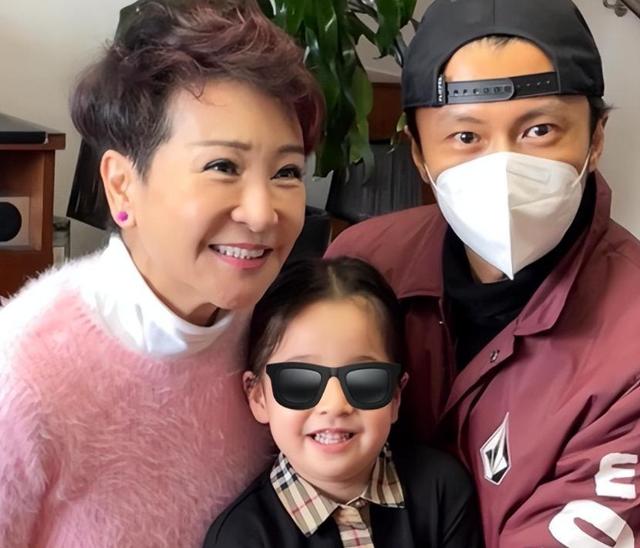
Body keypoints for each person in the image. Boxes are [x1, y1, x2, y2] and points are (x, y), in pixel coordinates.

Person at [0, 1, 324, 546]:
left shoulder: (287, 334)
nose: (262, 213)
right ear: (122, 186)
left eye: (287, 172)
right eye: (223, 166)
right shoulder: (24, 376)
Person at [326, 0, 640, 545]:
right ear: (419, 155)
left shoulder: (629, 341)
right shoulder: (363, 266)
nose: (502, 170)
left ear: (595, 140)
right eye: (466, 137)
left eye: (539, 130)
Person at [204, 257, 483, 548]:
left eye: (365, 380)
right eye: (300, 380)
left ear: (395, 396)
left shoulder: (442, 490)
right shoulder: (240, 537)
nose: (335, 404)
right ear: (258, 395)